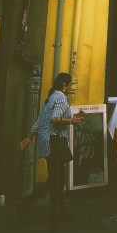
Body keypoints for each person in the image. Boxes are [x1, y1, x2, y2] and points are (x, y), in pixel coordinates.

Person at [16, 72, 83, 222]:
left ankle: (58, 211)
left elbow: (41, 119)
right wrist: (71, 121)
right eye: (70, 84)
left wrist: (30, 137)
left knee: (57, 179)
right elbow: (54, 118)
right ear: (64, 86)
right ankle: (26, 204)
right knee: (55, 180)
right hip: (54, 142)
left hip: (46, 141)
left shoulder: (51, 97)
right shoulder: (60, 99)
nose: (71, 87)